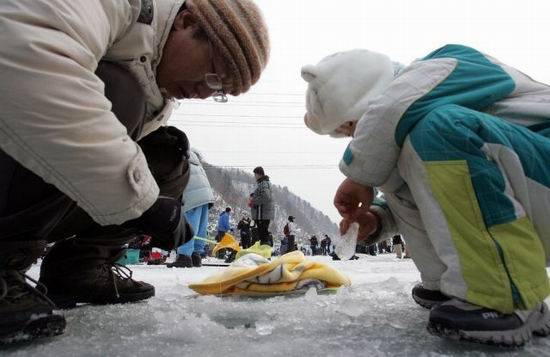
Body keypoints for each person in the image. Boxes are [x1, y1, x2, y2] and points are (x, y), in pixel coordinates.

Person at [0, 0, 269, 344]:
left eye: (219, 92)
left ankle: (79, 267)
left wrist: (151, 197)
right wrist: (144, 203)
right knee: (121, 95)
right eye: (213, 74)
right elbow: (29, 59)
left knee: (168, 157)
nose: (204, 91)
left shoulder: (156, 83)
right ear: (187, 22)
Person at [302, 45, 550, 346]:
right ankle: (454, 285)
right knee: (401, 158)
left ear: (372, 95)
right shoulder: (406, 129)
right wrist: (378, 218)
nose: (355, 137)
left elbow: (395, 108)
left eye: (354, 125)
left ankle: (502, 294)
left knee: (438, 131)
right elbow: (452, 183)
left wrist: (358, 175)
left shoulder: (451, 63)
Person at [169, 149, 214, 268]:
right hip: (206, 196)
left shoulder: (179, 156)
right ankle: (196, 256)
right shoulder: (196, 162)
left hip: (192, 194)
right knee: (200, 227)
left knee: (189, 225)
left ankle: (184, 256)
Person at [250, 167, 274, 245]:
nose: (255, 176)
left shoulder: (263, 183)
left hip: (262, 214)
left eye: (255, 174)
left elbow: (266, 196)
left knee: (263, 235)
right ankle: (264, 252)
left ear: (259, 174)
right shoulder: (264, 183)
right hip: (263, 214)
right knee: (263, 234)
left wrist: (254, 201)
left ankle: (265, 253)